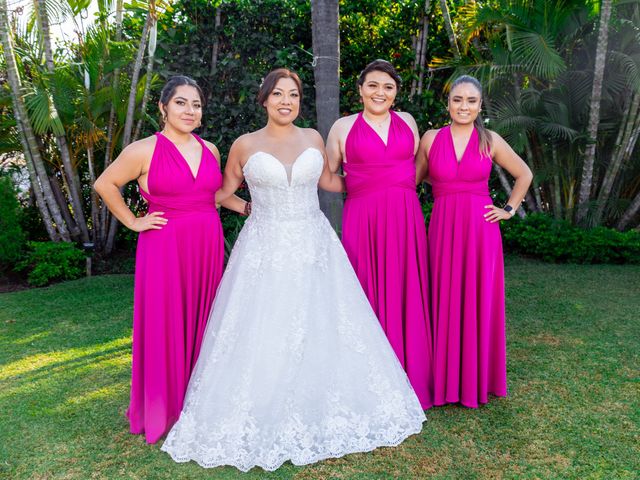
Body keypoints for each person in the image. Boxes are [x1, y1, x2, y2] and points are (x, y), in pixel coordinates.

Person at [160, 68, 426, 471]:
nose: (287, 101)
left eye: (294, 95)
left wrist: (380, 180)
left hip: (314, 244)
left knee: (327, 323)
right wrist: (242, 207)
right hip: (264, 248)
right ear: (265, 99)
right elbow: (218, 192)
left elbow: (332, 182)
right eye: (279, 94)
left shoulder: (314, 139)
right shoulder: (244, 145)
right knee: (263, 327)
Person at [94, 76, 246, 444]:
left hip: (206, 244)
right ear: (163, 108)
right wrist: (133, 221)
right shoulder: (142, 150)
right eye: (181, 103)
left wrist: (253, 208)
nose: (190, 111)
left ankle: (203, 405)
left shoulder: (209, 149)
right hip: (164, 246)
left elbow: (211, 196)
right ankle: (164, 407)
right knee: (167, 321)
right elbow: (104, 184)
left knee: (207, 319)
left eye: (196, 105)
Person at [416, 75, 533, 408]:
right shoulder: (430, 139)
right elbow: (410, 180)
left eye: (471, 101)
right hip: (442, 228)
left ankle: (475, 379)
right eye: (457, 100)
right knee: (444, 297)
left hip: (481, 232)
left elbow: (524, 174)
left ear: (480, 106)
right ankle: (445, 380)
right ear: (448, 103)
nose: (463, 106)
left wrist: (508, 209)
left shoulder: (490, 140)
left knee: (477, 299)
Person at [325, 59, 433, 409]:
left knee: (407, 286)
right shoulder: (342, 127)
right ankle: (368, 380)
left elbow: (418, 166)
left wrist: (396, 185)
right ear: (360, 90)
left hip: (405, 215)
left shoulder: (408, 122)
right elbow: (325, 175)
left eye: (388, 86)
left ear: (396, 91)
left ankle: (413, 374)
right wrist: (359, 185)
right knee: (365, 289)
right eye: (372, 85)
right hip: (363, 216)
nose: (380, 92)